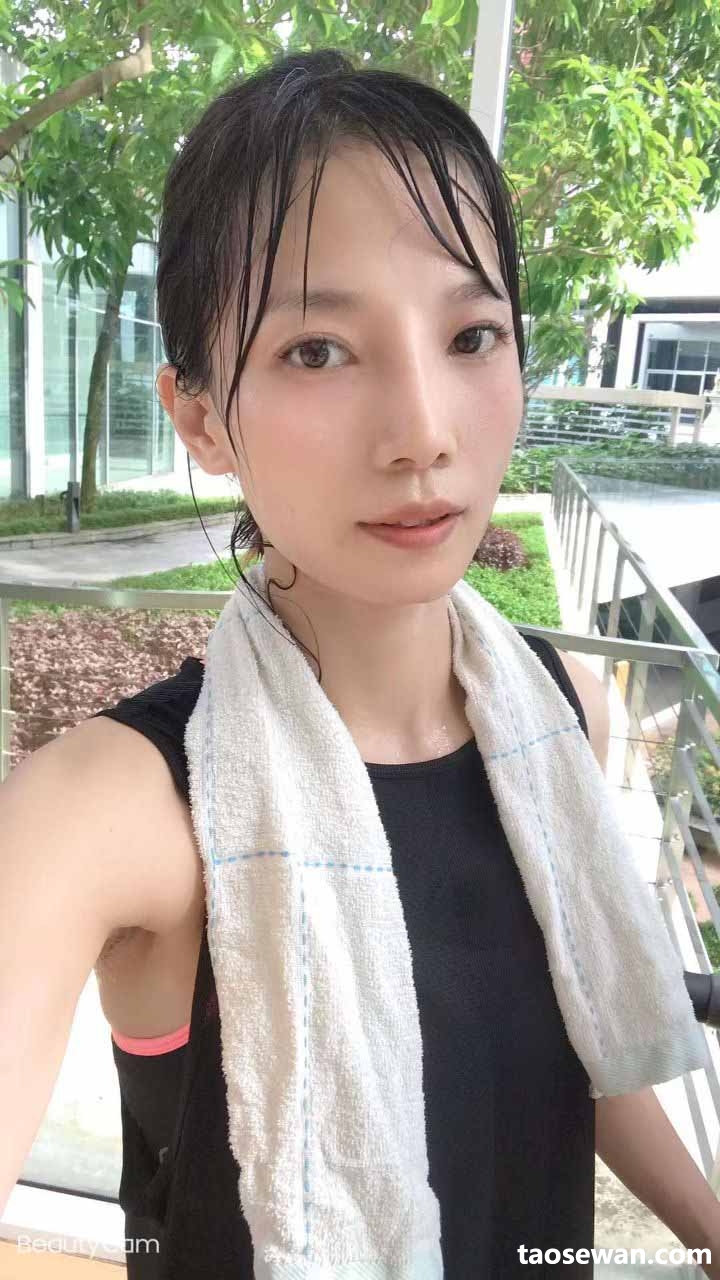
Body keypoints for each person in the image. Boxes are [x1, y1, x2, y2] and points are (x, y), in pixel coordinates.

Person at [0, 47, 605, 1277]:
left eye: (472, 333)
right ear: (200, 415)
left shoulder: (561, 712)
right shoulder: (111, 808)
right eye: (319, 350)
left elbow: (607, 1047)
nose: (423, 431)